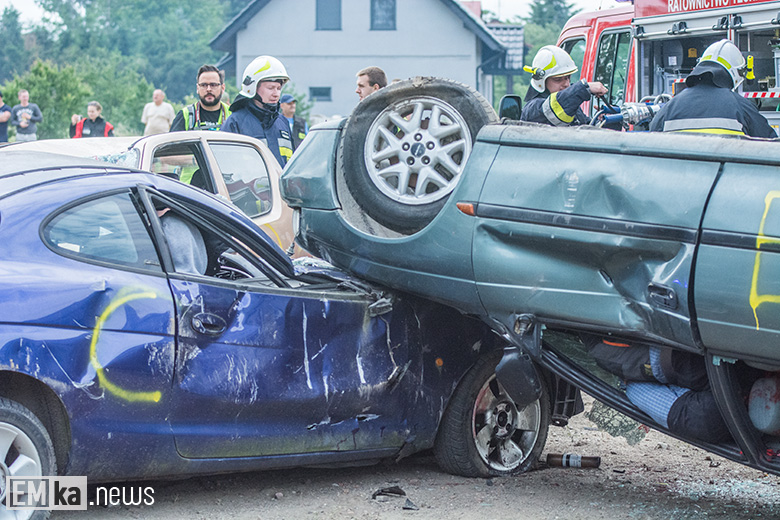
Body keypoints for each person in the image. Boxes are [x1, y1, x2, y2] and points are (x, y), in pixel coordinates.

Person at [649, 39, 776, 138]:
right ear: (735, 73)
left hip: (680, 171)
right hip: (726, 171)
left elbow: (651, 143)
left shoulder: (670, 107)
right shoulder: (741, 106)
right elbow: (769, 146)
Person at [221, 55, 294, 167]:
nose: (276, 94)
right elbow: (225, 166)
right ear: (252, 88)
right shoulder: (235, 123)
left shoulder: (282, 123)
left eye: (278, 88)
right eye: (270, 88)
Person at [520, 46, 607, 126]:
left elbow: (587, 129)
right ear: (542, 81)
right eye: (558, 79)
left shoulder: (572, 109)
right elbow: (554, 107)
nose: (566, 84)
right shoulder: (532, 109)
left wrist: (603, 121)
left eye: (568, 78)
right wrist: (583, 88)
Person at [170, 65, 231, 132]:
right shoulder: (185, 115)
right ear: (197, 88)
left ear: (222, 88)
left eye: (213, 85)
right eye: (204, 85)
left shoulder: (232, 115)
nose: (208, 89)